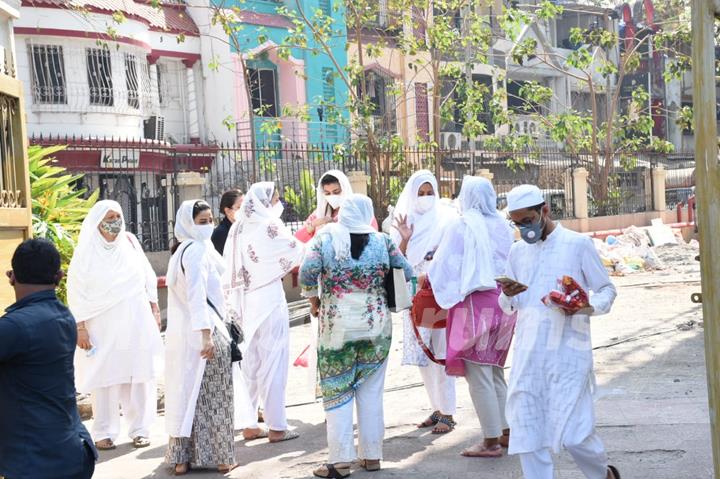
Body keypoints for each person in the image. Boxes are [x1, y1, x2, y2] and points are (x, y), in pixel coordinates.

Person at [499, 184, 621, 479]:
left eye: (527, 221)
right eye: (517, 224)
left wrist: (586, 307)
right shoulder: (517, 252)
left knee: (574, 433)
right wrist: (509, 294)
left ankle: (602, 474)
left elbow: (606, 289)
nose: (524, 229)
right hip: (528, 355)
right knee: (527, 433)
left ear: (545, 211)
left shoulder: (577, 244)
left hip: (569, 353)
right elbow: (507, 306)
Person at [300, 194, 413, 478]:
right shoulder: (383, 241)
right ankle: (372, 456)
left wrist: (314, 300)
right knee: (371, 392)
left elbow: (306, 273)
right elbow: (407, 271)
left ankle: (340, 461)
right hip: (376, 329)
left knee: (338, 392)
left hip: (337, 331)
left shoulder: (325, 239)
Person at [428, 176, 517, 458]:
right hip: (504, 305)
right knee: (494, 373)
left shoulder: (461, 225)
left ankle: (490, 442)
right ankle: (506, 434)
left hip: (475, 307)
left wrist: (430, 280)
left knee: (478, 376)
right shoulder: (503, 225)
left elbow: (445, 265)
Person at [67, 200, 163, 451]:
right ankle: (104, 432)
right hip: (101, 324)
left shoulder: (130, 242)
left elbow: (147, 275)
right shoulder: (86, 251)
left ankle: (141, 429)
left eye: (117, 216)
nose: (115, 222)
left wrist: (154, 307)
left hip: (136, 320)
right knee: (105, 378)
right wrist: (80, 327)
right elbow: (76, 290)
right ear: (97, 222)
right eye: (109, 217)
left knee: (139, 375)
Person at [0, 239, 97, 479]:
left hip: (37, 461)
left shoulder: (14, 327)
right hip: (73, 450)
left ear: (11, 277)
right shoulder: (64, 317)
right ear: (59, 276)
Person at [224, 182, 303, 443]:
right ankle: (277, 427)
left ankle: (248, 424)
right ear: (264, 203)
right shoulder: (269, 225)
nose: (278, 205)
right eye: (275, 200)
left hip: (245, 303)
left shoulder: (238, 227)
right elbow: (295, 251)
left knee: (250, 364)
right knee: (273, 363)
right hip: (269, 298)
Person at [165, 200, 236, 475]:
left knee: (186, 396)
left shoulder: (183, 250)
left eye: (209, 220)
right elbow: (196, 295)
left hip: (184, 335)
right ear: (187, 223)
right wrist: (206, 336)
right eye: (201, 221)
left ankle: (181, 459)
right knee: (216, 397)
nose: (208, 226)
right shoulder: (195, 251)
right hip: (206, 331)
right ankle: (222, 458)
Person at [391, 170, 458, 434]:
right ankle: (437, 407)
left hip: (438, 291)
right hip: (414, 292)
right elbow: (398, 261)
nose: (426, 198)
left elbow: (453, 254)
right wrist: (405, 239)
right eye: (421, 193)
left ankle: (449, 413)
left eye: (430, 192)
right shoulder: (403, 221)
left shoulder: (447, 218)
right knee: (424, 353)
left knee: (440, 353)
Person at [295, 170, 378, 243]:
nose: (332, 196)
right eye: (327, 193)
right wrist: (314, 225)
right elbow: (297, 239)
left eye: (336, 192)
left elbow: (372, 237)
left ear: (345, 189)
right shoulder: (319, 214)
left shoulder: (359, 211)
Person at [212, 189, 244, 255]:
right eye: (239, 207)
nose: (244, 211)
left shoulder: (245, 227)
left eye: (245, 207)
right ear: (228, 211)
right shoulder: (220, 233)